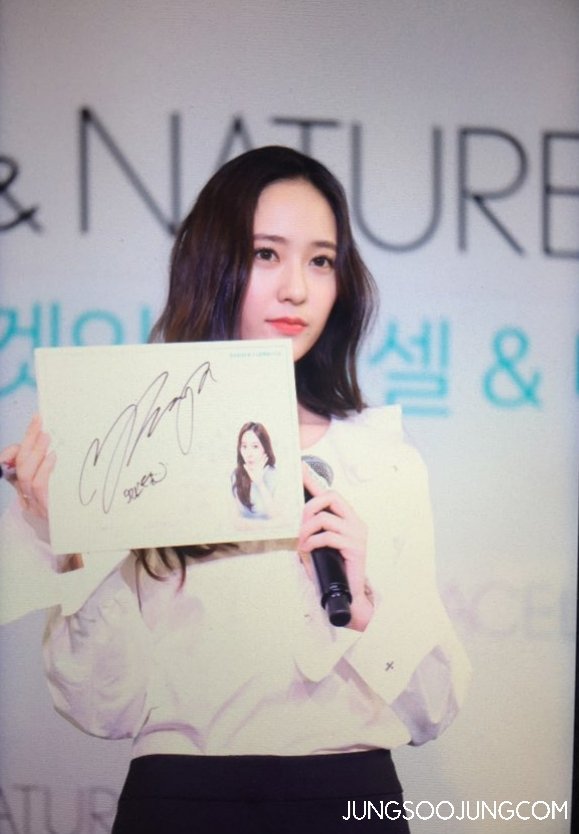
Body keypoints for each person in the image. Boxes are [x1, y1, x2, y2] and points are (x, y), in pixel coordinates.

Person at [0, 146, 470, 833]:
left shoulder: (380, 454)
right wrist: (67, 542)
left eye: (320, 261)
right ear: (214, 264)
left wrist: (365, 606)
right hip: (182, 800)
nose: (296, 289)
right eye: (265, 254)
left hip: (347, 797)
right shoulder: (137, 443)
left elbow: (434, 709)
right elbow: (102, 709)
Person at [232, 421, 277, 520]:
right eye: (244, 446)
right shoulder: (236, 475)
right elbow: (233, 519)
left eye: (255, 446)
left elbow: (277, 517)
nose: (249, 453)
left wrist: (260, 483)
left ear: (265, 448)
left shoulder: (275, 475)